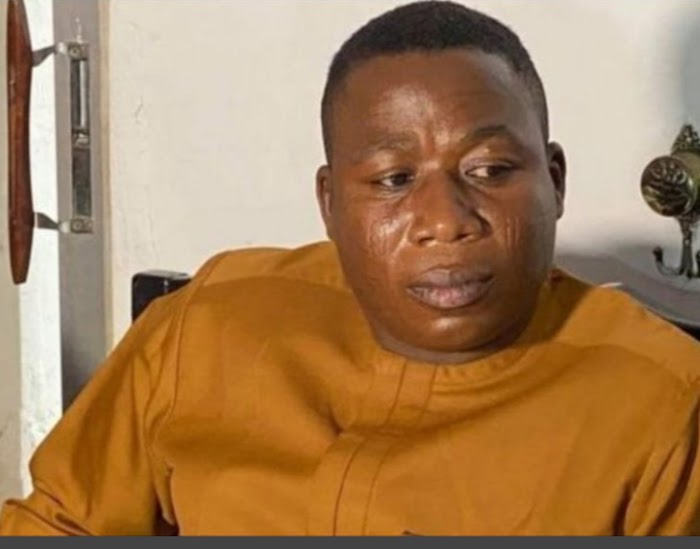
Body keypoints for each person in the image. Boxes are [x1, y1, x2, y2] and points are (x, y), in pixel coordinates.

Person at [2, 0, 700, 536]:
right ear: (331, 204)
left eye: (489, 169)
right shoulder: (208, 323)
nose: (445, 221)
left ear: (554, 181)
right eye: (395, 179)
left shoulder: (663, 404)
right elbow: (61, 523)